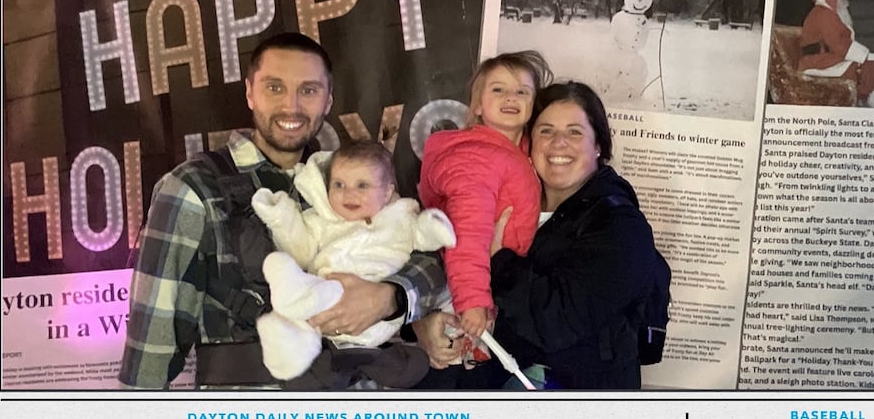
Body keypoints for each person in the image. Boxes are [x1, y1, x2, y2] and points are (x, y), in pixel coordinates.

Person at [118, 32, 448, 389]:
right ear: (249, 92)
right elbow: (153, 339)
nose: (291, 106)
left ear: (327, 100)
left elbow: (425, 259)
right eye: (274, 87)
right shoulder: (194, 186)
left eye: (308, 90)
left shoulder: (343, 179)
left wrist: (392, 296)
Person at [415, 81, 667, 389]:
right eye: (546, 131)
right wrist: (421, 324)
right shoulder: (497, 202)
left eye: (575, 132)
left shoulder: (621, 227)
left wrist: (499, 260)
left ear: (598, 145)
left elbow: (556, 322)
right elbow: (435, 266)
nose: (559, 142)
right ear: (529, 143)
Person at [250, 140, 456, 386]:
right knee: (286, 272)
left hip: (376, 315)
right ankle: (292, 340)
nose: (348, 194)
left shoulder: (399, 218)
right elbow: (301, 249)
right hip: (325, 302)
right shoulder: (322, 220)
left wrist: (435, 227)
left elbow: (423, 237)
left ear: (387, 192)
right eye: (339, 185)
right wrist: (281, 217)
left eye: (362, 185)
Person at [417, 51, 552, 352]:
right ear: (477, 105)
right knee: (464, 364)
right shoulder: (476, 157)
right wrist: (473, 300)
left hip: (501, 281)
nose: (510, 98)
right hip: (468, 289)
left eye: (522, 91)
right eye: (498, 89)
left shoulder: (518, 154)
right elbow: (466, 233)